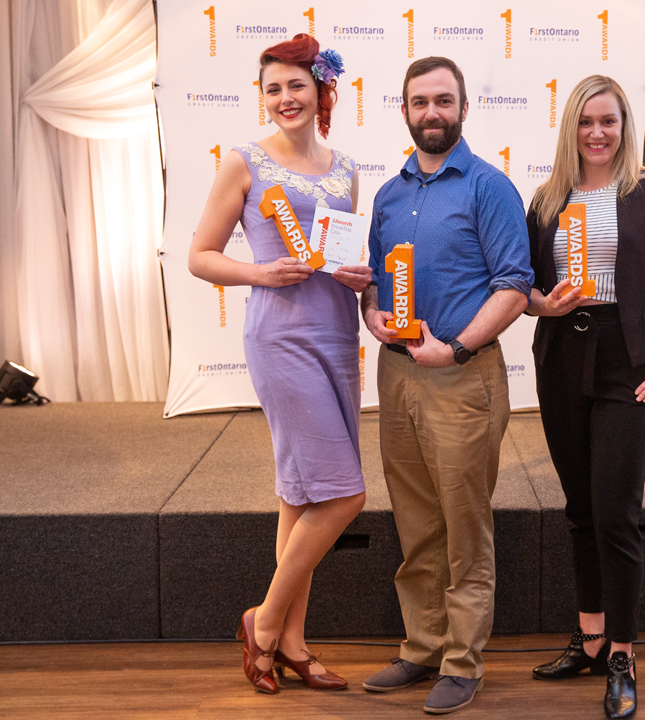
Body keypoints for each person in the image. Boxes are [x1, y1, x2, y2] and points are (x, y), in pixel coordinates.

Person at [524, 75, 645, 720]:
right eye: (586, 122)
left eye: (609, 121)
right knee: (580, 507)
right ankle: (591, 635)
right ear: (569, 129)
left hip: (629, 360)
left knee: (616, 511)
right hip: (560, 357)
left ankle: (625, 653)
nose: (598, 133)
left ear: (624, 126)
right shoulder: (547, 199)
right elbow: (521, 285)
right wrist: (537, 302)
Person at [187, 34, 369, 695]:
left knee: (302, 495)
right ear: (261, 96)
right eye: (272, 87)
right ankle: (262, 626)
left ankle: (291, 645)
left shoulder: (348, 168)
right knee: (346, 493)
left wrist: (360, 279)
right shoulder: (243, 161)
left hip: (337, 336)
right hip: (281, 339)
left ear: (321, 90)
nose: (285, 98)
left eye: (296, 85)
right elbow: (200, 254)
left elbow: (342, 251)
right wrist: (260, 271)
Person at [359, 56, 533, 714]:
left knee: (464, 524)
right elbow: (375, 278)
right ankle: (421, 644)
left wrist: (457, 346)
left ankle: (463, 661)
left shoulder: (489, 187)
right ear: (403, 111)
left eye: (444, 100)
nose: (432, 112)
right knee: (415, 518)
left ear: (464, 109)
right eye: (420, 102)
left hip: (462, 374)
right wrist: (370, 310)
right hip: (398, 373)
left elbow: (513, 287)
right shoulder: (388, 194)